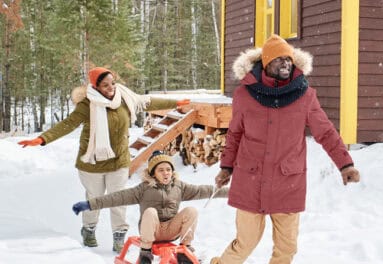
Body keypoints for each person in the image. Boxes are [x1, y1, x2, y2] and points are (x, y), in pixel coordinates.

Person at [210, 34, 360, 264]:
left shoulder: (305, 96)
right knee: (245, 243)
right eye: (279, 59)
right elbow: (235, 134)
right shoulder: (244, 95)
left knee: (286, 249)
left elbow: (326, 132)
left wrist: (345, 164)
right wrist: (226, 167)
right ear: (266, 63)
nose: (286, 63)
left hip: (287, 181)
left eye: (288, 59)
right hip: (251, 179)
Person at [17, 67, 190, 253]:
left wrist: (176, 102)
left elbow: (146, 102)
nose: (111, 88)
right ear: (96, 86)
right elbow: (67, 124)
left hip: (119, 161)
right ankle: (89, 229)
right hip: (92, 163)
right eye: (105, 85)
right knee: (95, 199)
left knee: (119, 199)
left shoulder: (124, 97)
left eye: (112, 83)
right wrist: (43, 139)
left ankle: (119, 236)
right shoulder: (87, 105)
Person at [72, 150, 229, 264]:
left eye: (168, 169)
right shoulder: (143, 189)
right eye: (161, 170)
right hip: (151, 231)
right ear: (153, 173)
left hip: (171, 230)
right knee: (150, 211)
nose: (166, 173)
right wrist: (90, 204)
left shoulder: (179, 187)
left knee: (191, 211)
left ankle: (184, 250)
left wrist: (233, 193)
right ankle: (145, 253)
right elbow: (117, 197)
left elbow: (204, 190)